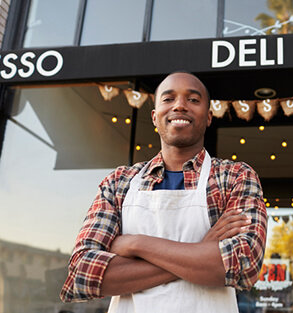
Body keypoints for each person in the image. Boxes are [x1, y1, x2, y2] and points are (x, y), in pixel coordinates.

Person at [60, 71, 267, 312]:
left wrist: (136, 244)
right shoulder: (119, 182)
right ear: (155, 117)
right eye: (168, 99)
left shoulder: (235, 177)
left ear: (209, 117)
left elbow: (244, 264)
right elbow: (83, 274)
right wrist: (202, 250)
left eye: (193, 99)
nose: (180, 105)